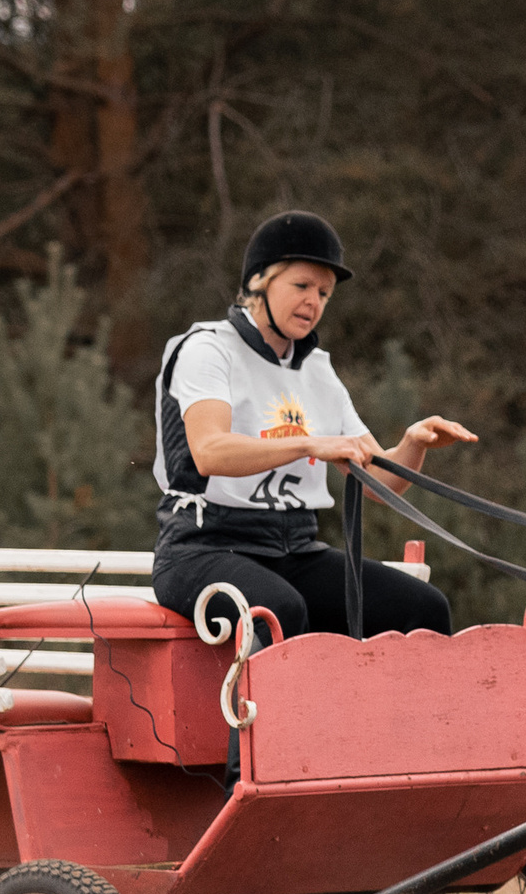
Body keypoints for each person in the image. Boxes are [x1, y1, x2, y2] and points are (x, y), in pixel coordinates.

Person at [150, 209, 476, 645]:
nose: (314, 302)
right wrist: (309, 443)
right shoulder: (207, 349)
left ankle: (400, 715)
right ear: (258, 283)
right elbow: (210, 452)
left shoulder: (318, 370)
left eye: (325, 293)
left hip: (295, 548)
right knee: (278, 610)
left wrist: (411, 444)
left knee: (422, 608)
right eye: (301, 286)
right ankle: (269, 717)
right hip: (204, 547)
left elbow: (378, 480)